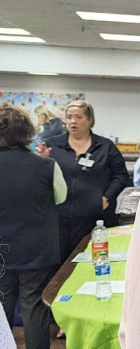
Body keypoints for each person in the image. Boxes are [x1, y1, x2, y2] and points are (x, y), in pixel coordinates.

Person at [0, 103, 67, 349]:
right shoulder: (47, 166)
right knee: (34, 308)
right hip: (37, 250)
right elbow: (61, 197)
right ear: (27, 131)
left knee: (1, 307)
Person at [36, 100, 131, 261]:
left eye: (78, 117)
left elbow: (121, 176)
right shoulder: (52, 145)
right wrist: (41, 161)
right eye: (69, 117)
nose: (73, 121)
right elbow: (40, 178)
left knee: (92, 263)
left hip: (95, 219)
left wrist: (107, 198)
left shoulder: (105, 146)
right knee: (59, 267)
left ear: (89, 120)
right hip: (60, 219)